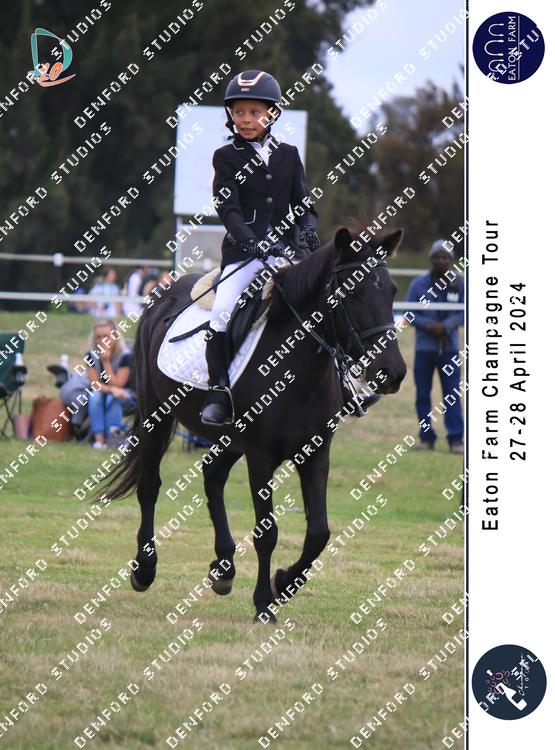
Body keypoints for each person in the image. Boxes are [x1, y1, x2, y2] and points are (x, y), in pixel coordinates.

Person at [200, 69, 320, 426]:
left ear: (272, 113)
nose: (246, 119)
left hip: (286, 253)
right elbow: (228, 208)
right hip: (245, 255)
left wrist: (308, 229)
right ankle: (218, 391)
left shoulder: (289, 154)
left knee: (323, 302)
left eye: (254, 112)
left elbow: (303, 203)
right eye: (239, 112)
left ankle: (345, 381)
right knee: (222, 312)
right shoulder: (226, 156)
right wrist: (250, 241)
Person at [406, 240, 464, 454]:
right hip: (424, 349)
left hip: (449, 349)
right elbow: (409, 312)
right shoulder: (418, 284)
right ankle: (426, 438)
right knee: (422, 395)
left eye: (445, 257)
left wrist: (446, 326)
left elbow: (465, 311)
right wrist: (429, 326)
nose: (441, 260)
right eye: (437, 256)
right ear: (431, 259)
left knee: (452, 395)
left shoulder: (459, 283)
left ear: (450, 260)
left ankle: (456, 440)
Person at [85, 318, 133, 448]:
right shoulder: (91, 355)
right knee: (94, 396)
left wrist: (106, 362)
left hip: (126, 394)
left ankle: (113, 439)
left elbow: (118, 385)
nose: (102, 341)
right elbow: (95, 384)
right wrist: (111, 390)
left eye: (106, 336)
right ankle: (99, 440)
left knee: (113, 399)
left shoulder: (125, 355)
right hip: (104, 391)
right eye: (98, 337)